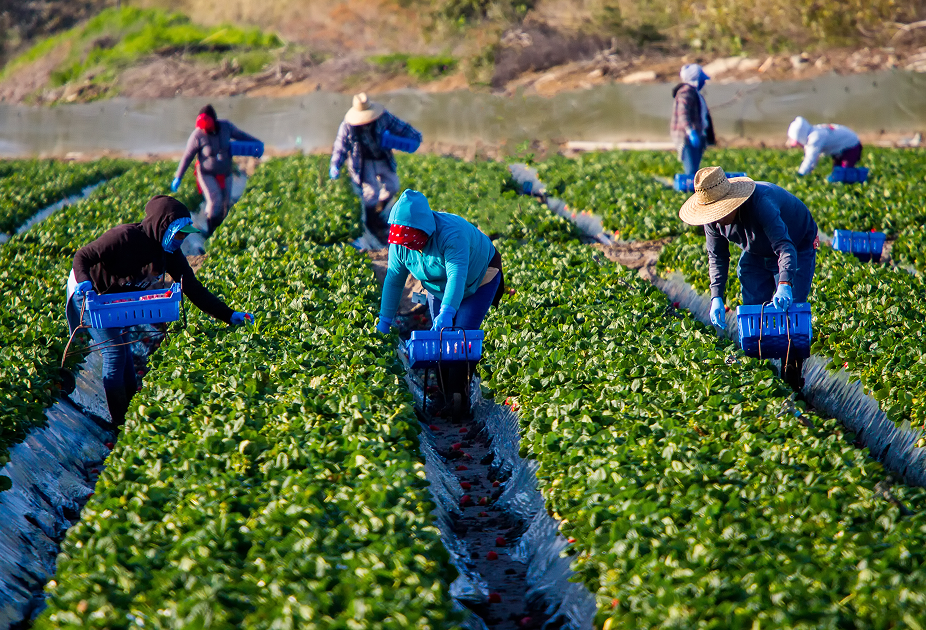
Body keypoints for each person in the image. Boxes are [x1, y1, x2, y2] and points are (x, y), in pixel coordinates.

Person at [66, 195, 253, 427]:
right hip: (90, 296)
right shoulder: (124, 237)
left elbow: (192, 287)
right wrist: (84, 282)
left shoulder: (169, 251)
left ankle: (130, 418)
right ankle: (120, 425)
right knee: (114, 353)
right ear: (163, 226)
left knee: (124, 354)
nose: (182, 239)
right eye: (180, 233)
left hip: (116, 298)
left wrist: (229, 314)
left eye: (185, 234)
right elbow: (82, 256)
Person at [678, 167, 819, 388]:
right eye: (712, 213)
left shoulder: (761, 203)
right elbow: (717, 256)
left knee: (791, 311)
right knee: (755, 306)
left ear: (732, 202)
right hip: (755, 249)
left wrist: (784, 284)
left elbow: (785, 247)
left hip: (796, 243)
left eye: (720, 211)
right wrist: (716, 296)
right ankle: (761, 375)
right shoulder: (713, 221)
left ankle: (792, 376)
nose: (717, 218)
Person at [376, 190, 503, 413]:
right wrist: (385, 321)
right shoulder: (401, 245)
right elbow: (394, 280)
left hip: (479, 277)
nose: (408, 246)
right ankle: (444, 393)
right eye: (404, 243)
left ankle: (460, 397)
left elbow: (457, 276)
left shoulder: (451, 234)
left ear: (424, 229)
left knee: (459, 334)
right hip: (438, 286)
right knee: (441, 340)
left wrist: (446, 311)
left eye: (412, 241)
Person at [329, 93, 422, 236]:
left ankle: (380, 211)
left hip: (382, 157)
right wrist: (335, 165)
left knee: (393, 186)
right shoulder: (348, 126)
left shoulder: (383, 117)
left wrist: (415, 136)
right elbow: (340, 147)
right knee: (371, 192)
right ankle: (372, 222)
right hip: (362, 162)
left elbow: (401, 127)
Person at [171, 104, 262, 236]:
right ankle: (210, 231)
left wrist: (256, 143)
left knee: (226, 202)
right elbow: (187, 156)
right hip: (207, 174)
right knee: (215, 201)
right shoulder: (197, 135)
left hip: (225, 172)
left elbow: (241, 135)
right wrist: (178, 177)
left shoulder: (226, 127)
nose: (206, 130)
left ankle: (221, 231)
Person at [671, 64, 716, 175]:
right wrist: (690, 131)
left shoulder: (694, 93)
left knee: (695, 170)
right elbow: (683, 113)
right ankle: (689, 191)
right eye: (702, 79)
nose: (704, 82)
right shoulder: (686, 92)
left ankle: (693, 190)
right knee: (691, 171)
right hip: (686, 138)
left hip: (697, 135)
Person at [787, 116, 863, 179]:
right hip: (840, 149)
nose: (798, 145)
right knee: (837, 173)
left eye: (798, 142)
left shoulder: (815, 137)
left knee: (844, 173)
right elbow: (813, 159)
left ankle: (861, 177)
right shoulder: (813, 133)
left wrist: (801, 174)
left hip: (851, 146)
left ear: (801, 136)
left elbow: (810, 159)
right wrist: (808, 171)